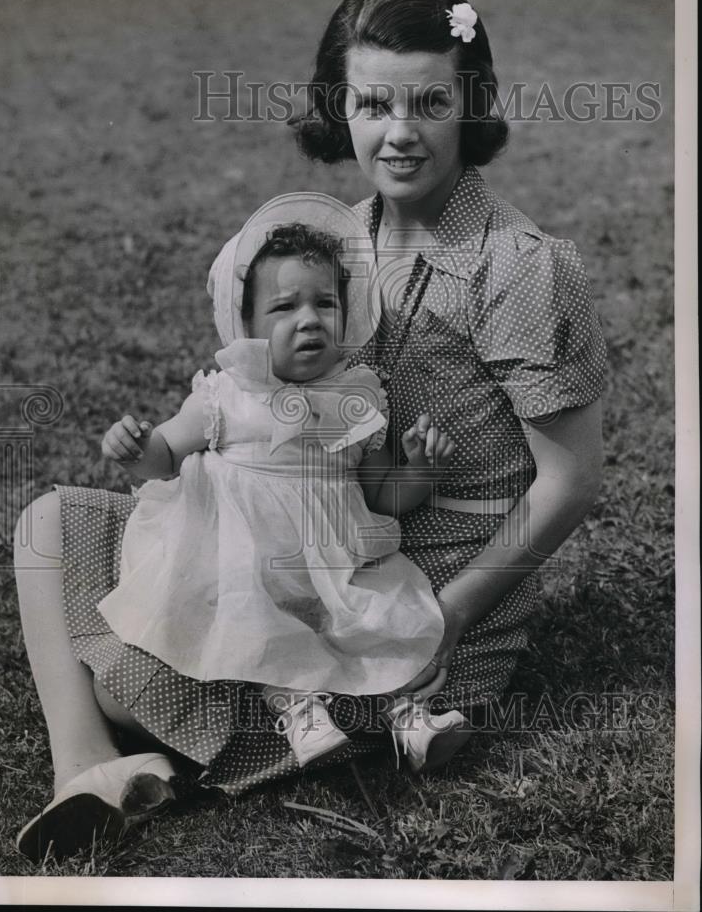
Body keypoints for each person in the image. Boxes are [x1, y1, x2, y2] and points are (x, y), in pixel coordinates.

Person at [13, 0, 606, 863]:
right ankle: (86, 770)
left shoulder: (520, 268)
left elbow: (568, 482)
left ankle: (295, 716)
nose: (398, 132)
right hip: (299, 545)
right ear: (340, 105)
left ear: (470, 103)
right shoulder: (340, 237)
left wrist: (443, 616)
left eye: (429, 102)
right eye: (372, 102)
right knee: (48, 526)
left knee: (130, 678)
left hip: (418, 592)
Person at [97, 199, 461, 768]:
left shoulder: (360, 394)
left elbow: (379, 496)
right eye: (285, 307)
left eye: (325, 303)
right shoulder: (228, 394)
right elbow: (166, 455)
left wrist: (418, 470)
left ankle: (412, 721)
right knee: (257, 622)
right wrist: (136, 447)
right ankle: (299, 711)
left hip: (332, 559)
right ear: (248, 325)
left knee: (381, 618)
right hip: (243, 556)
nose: (309, 319)